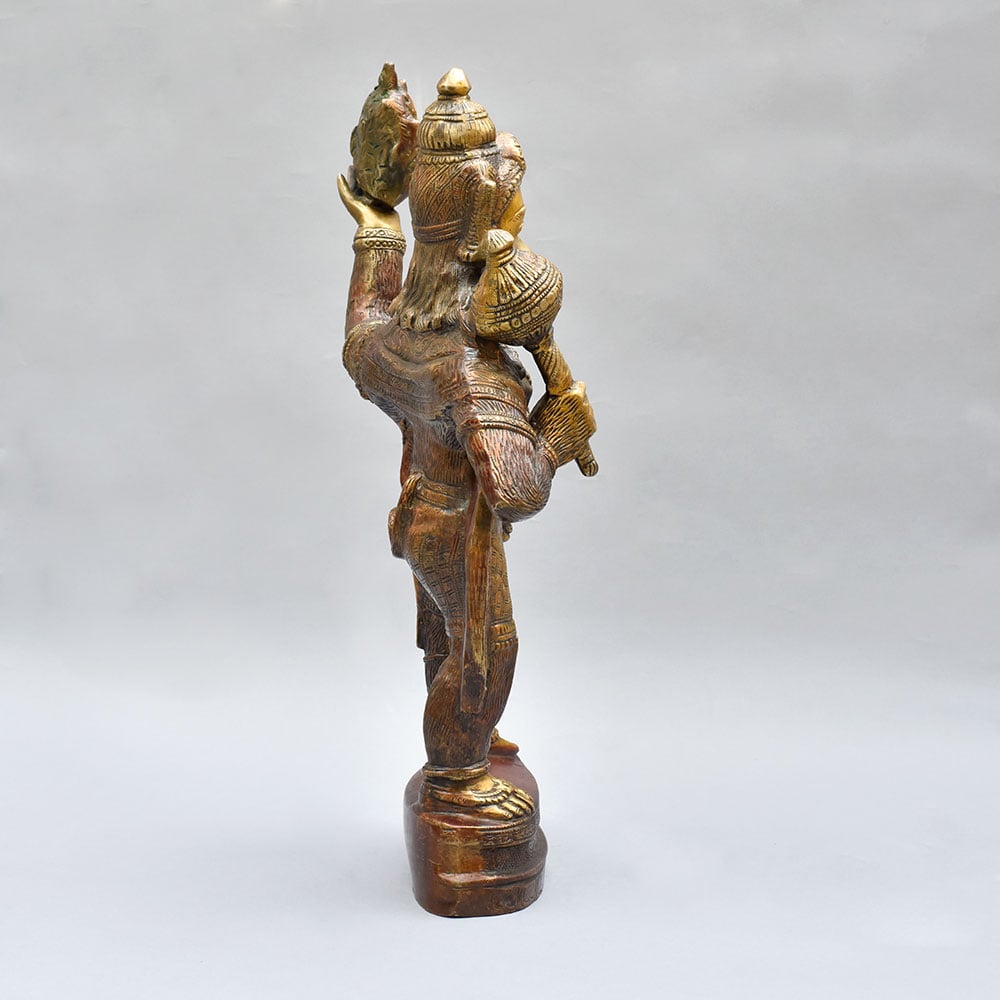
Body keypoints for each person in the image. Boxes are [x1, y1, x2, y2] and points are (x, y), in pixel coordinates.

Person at [339, 69, 594, 820]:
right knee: (487, 649)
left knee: (450, 643)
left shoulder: (398, 338)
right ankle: (457, 776)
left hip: (420, 513)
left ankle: (463, 738)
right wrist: (560, 432)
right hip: (460, 529)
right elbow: (517, 488)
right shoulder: (471, 370)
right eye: (515, 207)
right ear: (485, 224)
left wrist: (378, 229)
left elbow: (358, 333)